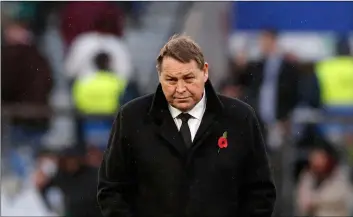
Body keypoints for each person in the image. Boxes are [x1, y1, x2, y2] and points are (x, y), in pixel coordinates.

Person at [97, 35, 276, 217]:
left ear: (205, 72)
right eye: (171, 80)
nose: (180, 89)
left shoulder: (239, 118)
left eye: (188, 78)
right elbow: (112, 189)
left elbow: (260, 192)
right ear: (160, 76)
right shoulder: (132, 118)